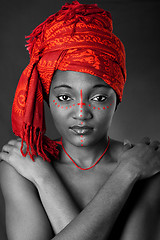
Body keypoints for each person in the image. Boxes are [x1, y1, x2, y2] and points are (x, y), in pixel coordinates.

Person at [0, 1, 160, 240]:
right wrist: (125, 175)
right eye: (65, 97)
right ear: (47, 97)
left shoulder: (147, 165)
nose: (81, 113)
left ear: (117, 98)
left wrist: (44, 180)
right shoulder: (21, 168)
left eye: (98, 97)